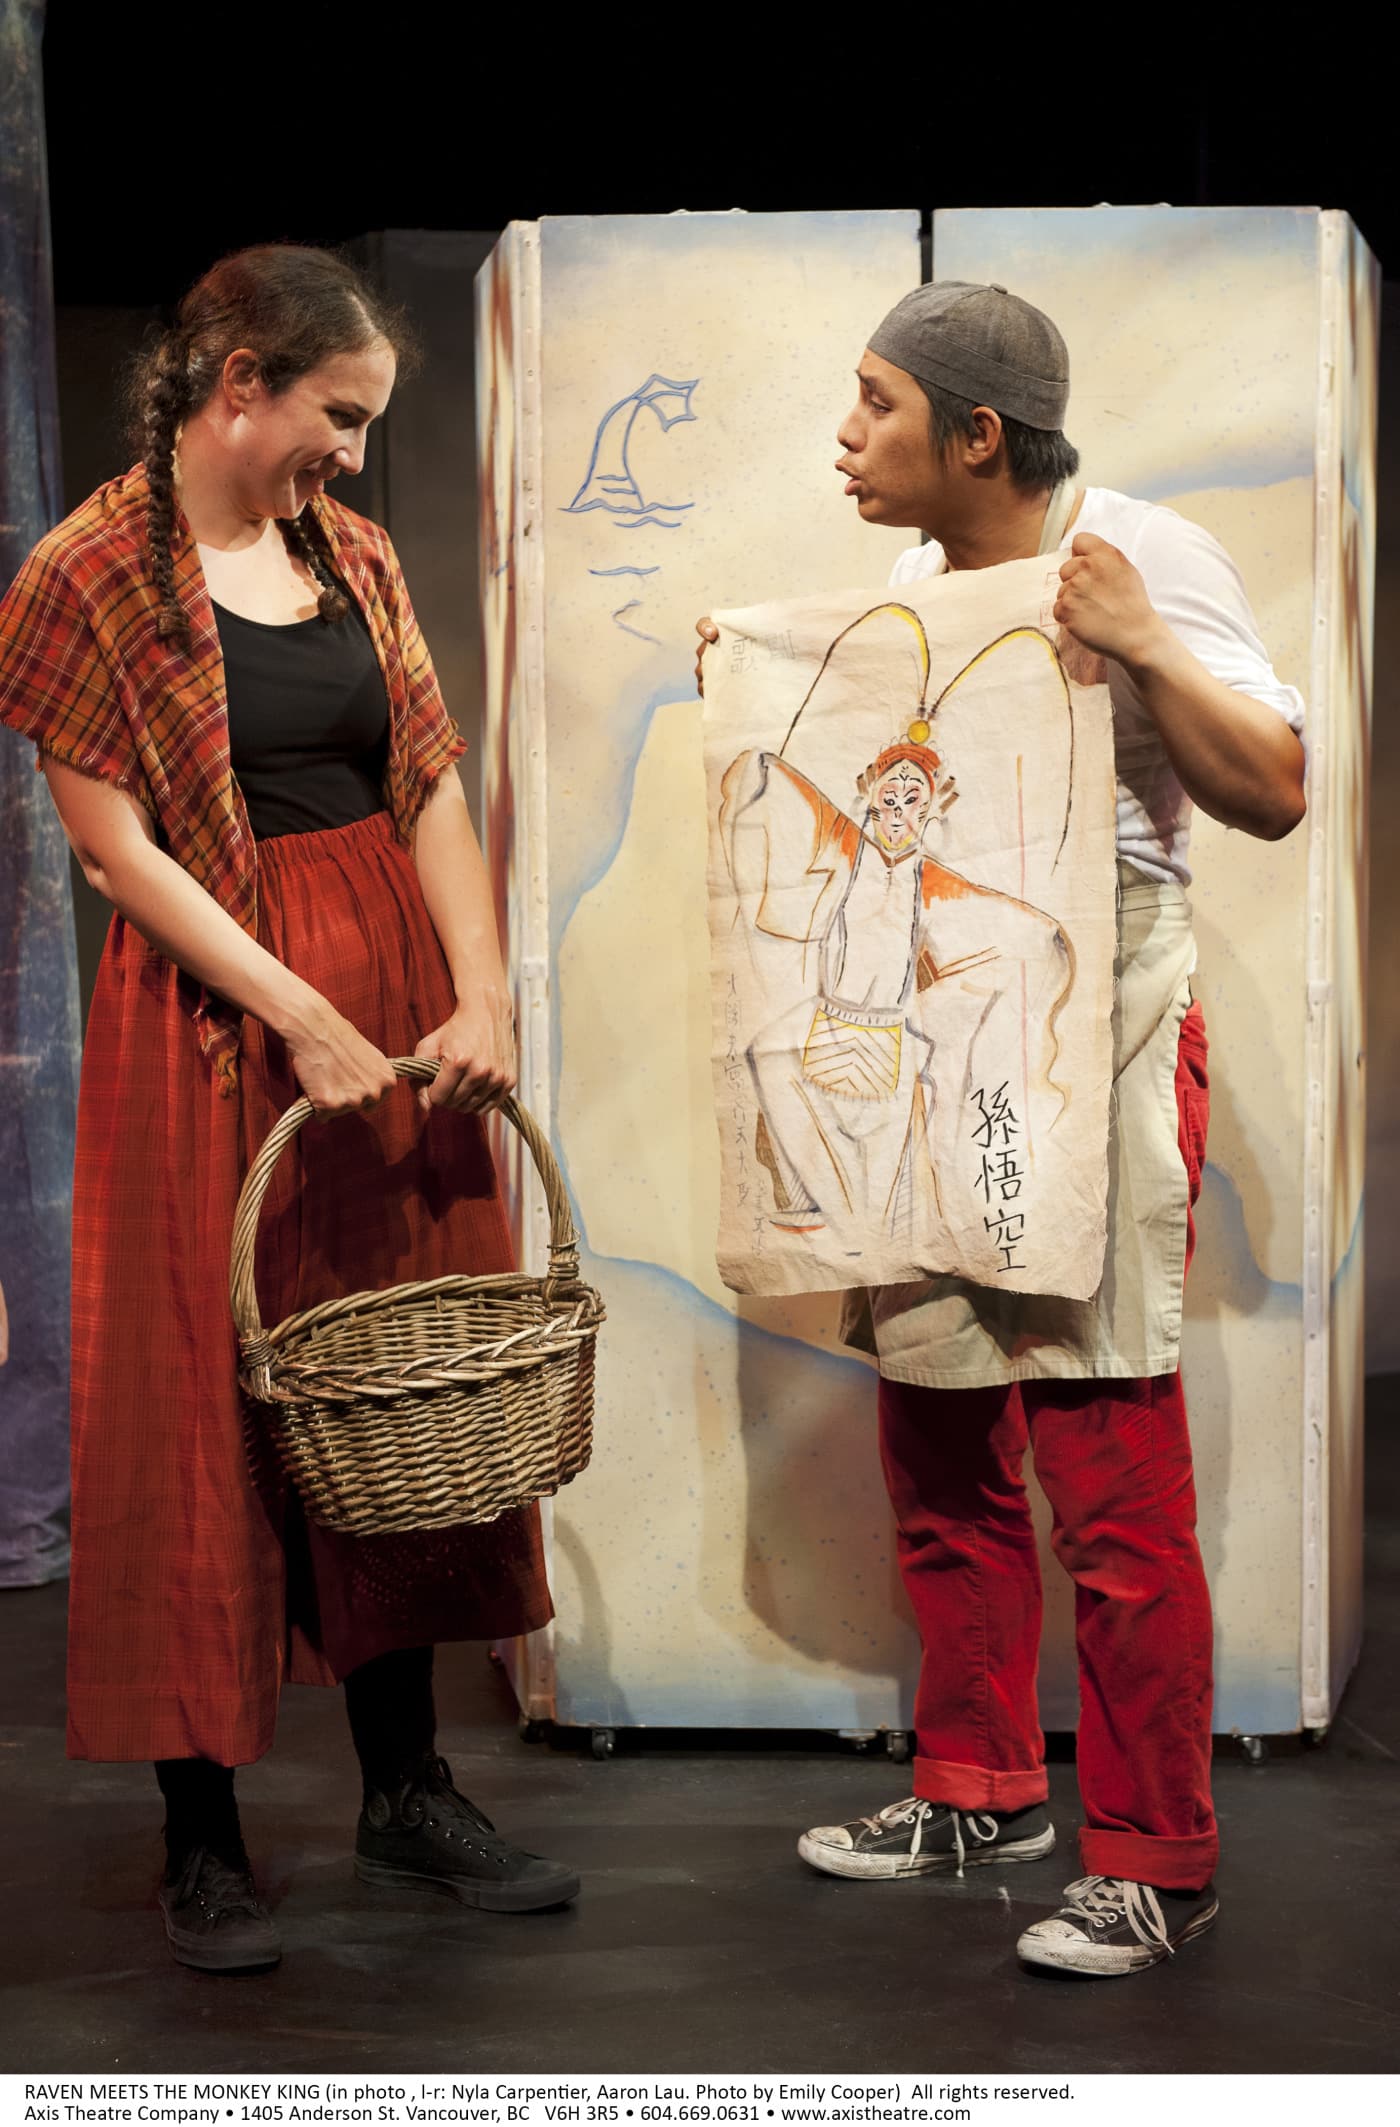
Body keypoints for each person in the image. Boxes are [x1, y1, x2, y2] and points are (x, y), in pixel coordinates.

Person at [696, 280, 1307, 1978]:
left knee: (1107, 1456)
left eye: (877, 402)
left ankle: (1158, 1858)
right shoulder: (914, 591)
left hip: (1092, 1032)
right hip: (937, 1046)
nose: (846, 435)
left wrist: (1146, 643)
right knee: (942, 1430)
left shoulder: (1144, 550)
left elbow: (1273, 788)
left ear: (976, 433)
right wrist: (765, 693)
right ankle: (977, 1783)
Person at [0, 244, 578, 1974]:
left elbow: (429, 783)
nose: (354, 451)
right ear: (238, 380)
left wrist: (482, 989)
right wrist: (295, 1009)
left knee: (394, 1386)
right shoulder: (84, 573)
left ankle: (407, 1788)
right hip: (215, 1013)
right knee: (199, 1403)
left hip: (392, 1004)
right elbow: (117, 852)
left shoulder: (355, 555)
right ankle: (202, 1831)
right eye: (340, 413)